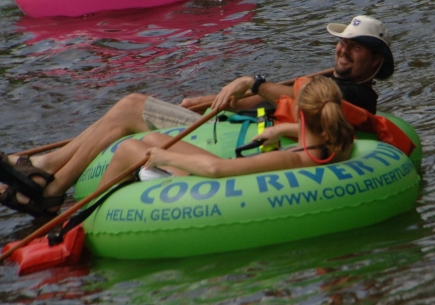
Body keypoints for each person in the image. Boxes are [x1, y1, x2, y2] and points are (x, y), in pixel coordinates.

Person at [0, 15, 394, 217]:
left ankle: (49, 183)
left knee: (132, 105)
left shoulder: (356, 95)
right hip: (236, 128)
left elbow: (291, 96)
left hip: (232, 143)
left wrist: (253, 81)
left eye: (355, 47)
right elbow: (273, 104)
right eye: (342, 42)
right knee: (133, 106)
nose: (343, 50)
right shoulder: (329, 83)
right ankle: (43, 169)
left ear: (374, 59)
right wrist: (209, 100)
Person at [98, 76, 354, 186]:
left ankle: (94, 222)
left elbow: (216, 170)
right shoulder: (338, 143)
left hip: (213, 184)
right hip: (225, 174)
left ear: (300, 113)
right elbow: (314, 128)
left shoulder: (290, 157)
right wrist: (284, 129)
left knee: (131, 148)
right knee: (154, 137)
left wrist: (164, 159)